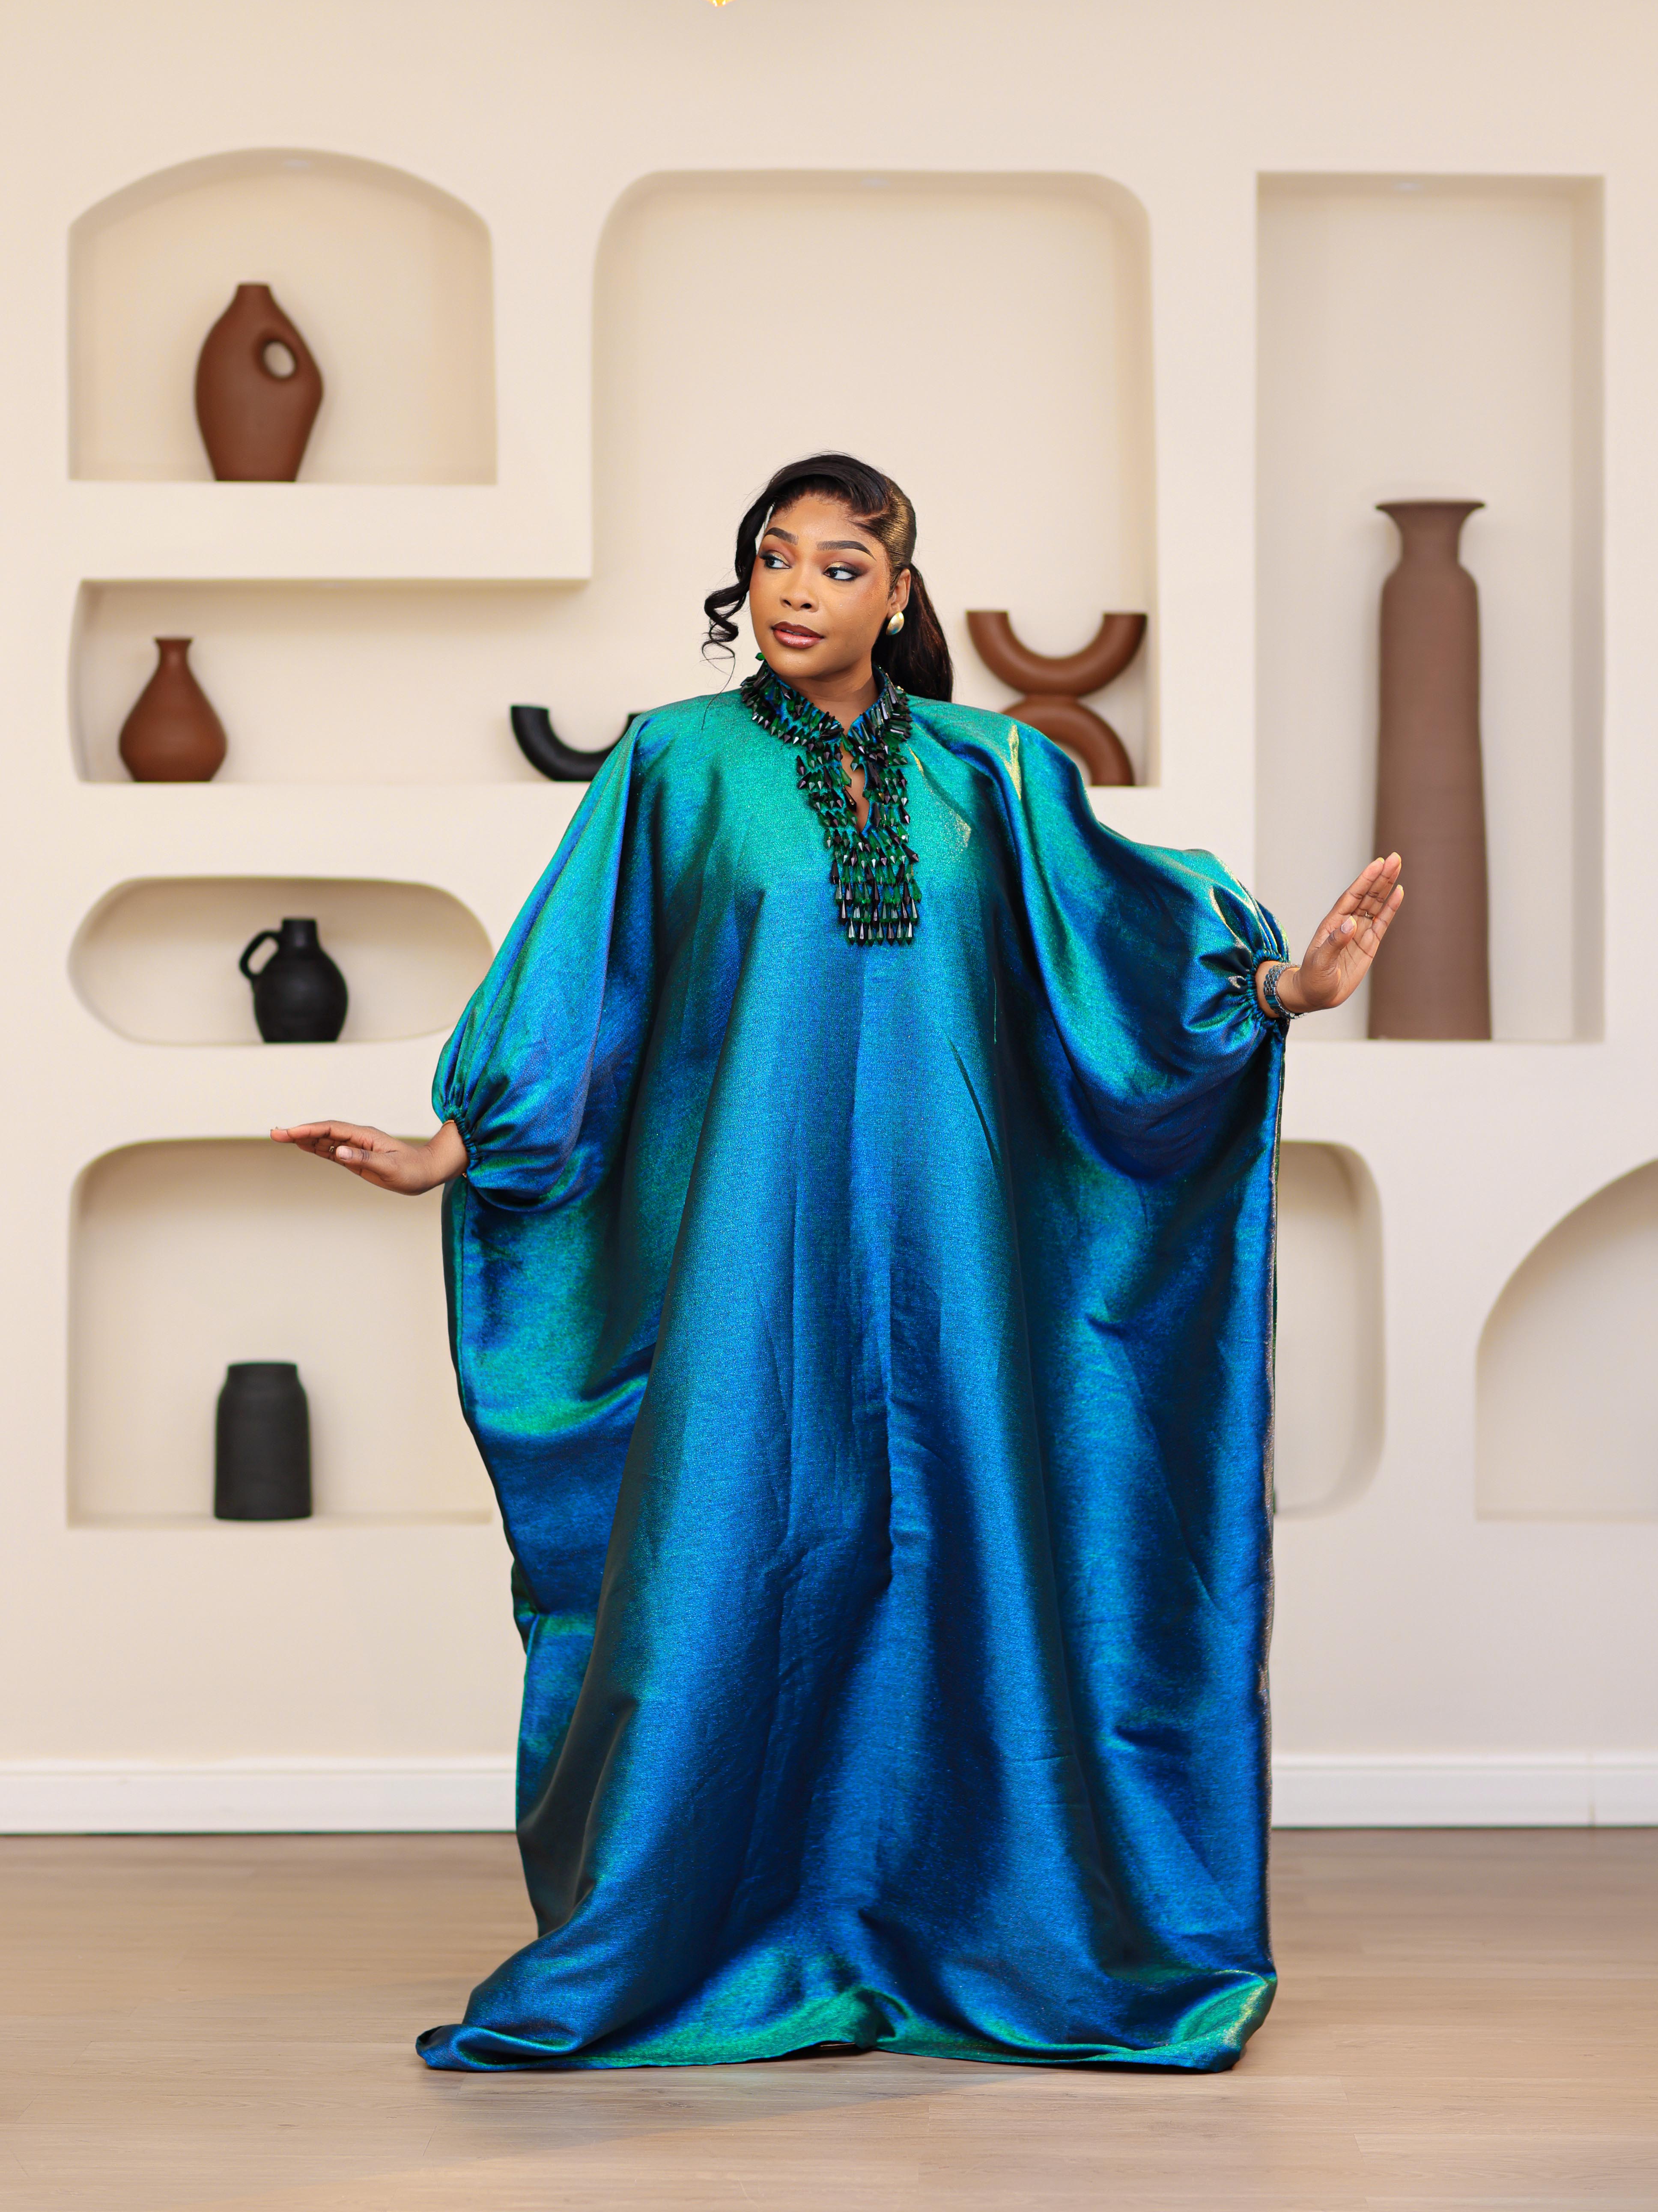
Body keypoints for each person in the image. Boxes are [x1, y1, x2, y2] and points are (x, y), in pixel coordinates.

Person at [274, 452, 1402, 2075]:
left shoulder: (994, 775)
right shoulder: (676, 764)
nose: (800, 589)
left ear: (901, 593)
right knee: (733, 1563)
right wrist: (449, 1146)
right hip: (746, 1266)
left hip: (960, 1273)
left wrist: (1285, 990)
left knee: (965, 1557)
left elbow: (1122, 975)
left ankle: (972, 1927)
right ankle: (708, 1936)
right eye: (773, 560)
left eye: (841, 563)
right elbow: (583, 984)